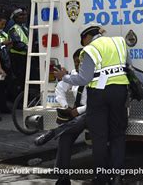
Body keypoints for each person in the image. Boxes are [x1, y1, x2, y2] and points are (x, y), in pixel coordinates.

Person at [54, 24, 129, 185]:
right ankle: (117, 177)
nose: (84, 44)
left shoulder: (89, 50)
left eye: (84, 41)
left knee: (99, 138)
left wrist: (64, 77)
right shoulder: (119, 42)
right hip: (120, 91)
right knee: (118, 135)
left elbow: (84, 79)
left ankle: (101, 178)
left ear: (88, 37)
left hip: (99, 96)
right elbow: (126, 66)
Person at [35, 48, 87, 185]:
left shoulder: (93, 75)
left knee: (77, 121)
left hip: (92, 111)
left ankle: (52, 133)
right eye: (75, 62)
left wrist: (78, 111)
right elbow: (59, 88)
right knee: (65, 137)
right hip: (77, 114)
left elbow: (96, 102)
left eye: (80, 62)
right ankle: (63, 178)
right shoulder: (74, 74)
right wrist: (65, 106)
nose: (77, 65)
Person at [0, 13, 13, 113]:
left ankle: (2, 106)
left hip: (5, 63)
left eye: (5, 24)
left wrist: (9, 45)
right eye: (1, 24)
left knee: (3, 85)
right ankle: (0, 107)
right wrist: (2, 44)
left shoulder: (4, 33)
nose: (3, 26)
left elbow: (7, 49)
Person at [8, 8, 29, 99]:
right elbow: (17, 44)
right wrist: (29, 49)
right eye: (21, 15)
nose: (24, 16)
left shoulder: (25, 28)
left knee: (24, 79)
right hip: (17, 57)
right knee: (18, 80)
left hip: (25, 56)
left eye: (24, 14)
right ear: (15, 18)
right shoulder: (13, 29)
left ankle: (24, 98)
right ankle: (17, 100)